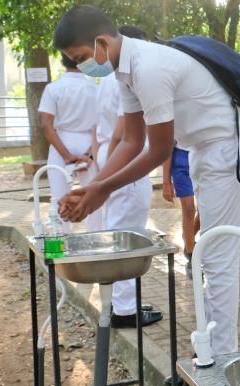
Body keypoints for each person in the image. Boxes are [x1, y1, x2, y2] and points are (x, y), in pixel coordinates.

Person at [54, 5, 240, 356]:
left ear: (101, 41)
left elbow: (159, 149)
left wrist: (102, 189)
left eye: (82, 57)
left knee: (217, 258)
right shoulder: (126, 72)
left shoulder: (149, 67)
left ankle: (220, 358)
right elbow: (132, 141)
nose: (83, 66)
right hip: (204, 151)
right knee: (210, 254)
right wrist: (93, 186)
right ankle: (211, 353)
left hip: (228, 149)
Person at [93, 25, 159, 328]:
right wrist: (109, 179)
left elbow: (101, 132)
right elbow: (122, 132)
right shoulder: (128, 78)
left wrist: (101, 172)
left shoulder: (105, 80)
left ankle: (122, 301)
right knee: (126, 238)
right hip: (127, 163)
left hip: (111, 158)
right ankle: (124, 310)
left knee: (116, 232)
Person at [38, 52, 101, 232]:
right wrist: (88, 154)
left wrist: (66, 156)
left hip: (61, 142)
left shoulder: (53, 88)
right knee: (93, 196)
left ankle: (61, 241)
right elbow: (100, 124)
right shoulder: (95, 89)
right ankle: (96, 240)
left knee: (59, 196)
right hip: (90, 142)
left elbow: (46, 124)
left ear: (62, 62)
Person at [162, 145, 200, 279]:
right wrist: (166, 182)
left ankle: (188, 235)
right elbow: (167, 146)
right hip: (181, 160)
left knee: (206, 210)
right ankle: (191, 257)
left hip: (204, 156)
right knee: (189, 209)